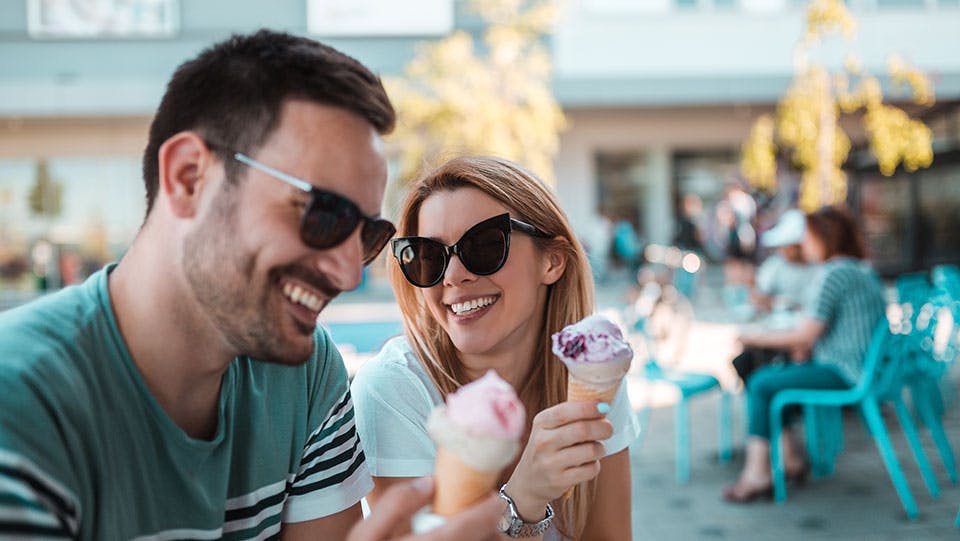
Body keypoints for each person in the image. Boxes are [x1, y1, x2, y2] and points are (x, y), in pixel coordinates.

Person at [0, 30, 503, 540]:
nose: (350, 273)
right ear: (190, 177)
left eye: (369, 235)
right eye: (324, 214)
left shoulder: (305, 374)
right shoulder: (19, 402)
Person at [352, 156, 639, 540]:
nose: (454, 276)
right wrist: (522, 499)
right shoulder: (392, 389)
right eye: (428, 256)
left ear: (552, 261)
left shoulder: (591, 373)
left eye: (484, 246)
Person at [723, 206, 886, 502]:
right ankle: (789, 458)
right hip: (864, 367)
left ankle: (759, 472)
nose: (804, 244)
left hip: (845, 371)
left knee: (761, 381)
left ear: (826, 238)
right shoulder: (860, 269)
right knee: (773, 377)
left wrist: (754, 336)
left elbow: (807, 333)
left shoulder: (835, 272)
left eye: (808, 237)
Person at [731, 209, 821, 384]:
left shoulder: (819, 268)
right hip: (783, 326)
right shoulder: (776, 266)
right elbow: (757, 297)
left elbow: (809, 329)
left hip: (805, 335)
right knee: (747, 355)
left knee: (799, 351)